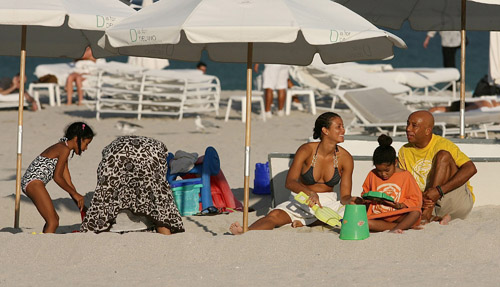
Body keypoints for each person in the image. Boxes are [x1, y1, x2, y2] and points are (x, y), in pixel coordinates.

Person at [230, 112, 359, 235]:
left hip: (328, 204)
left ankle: (306, 222)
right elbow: (290, 182)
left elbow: (344, 196)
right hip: (302, 201)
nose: (343, 130)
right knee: (273, 216)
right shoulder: (306, 150)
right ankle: (247, 231)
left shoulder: (346, 158)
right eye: (338, 127)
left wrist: (351, 200)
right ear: (325, 130)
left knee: (347, 213)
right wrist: (310, 193)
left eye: (342, 126)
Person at [80, 136, 184, 235]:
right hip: (148, 158)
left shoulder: (112, 147)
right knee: (158, 197)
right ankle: (166, 235)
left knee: (106, 195)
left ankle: (99, 229)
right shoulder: (161, 150)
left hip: (115, 157)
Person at [398, 111, 477, 224]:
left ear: (427, 130)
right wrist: (420, 197)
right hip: (426, 203)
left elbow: (471, 169)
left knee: (443, 156)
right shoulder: (404, 151)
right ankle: (435, 216)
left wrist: (438, 191)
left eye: (414, 125)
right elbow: (406, 183)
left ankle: (427, 213)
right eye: (408, 124)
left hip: (454, 201)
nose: (408, 129)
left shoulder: (443, 144)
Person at [21, 122, 94, 233]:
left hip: (34, 182)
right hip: (33, 183)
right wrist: (75, 194)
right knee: (53, 221)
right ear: (76, 139)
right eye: (86, 143)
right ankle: (44, 246)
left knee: (53, 219)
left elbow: (68, 181)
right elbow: (58, 178)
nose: (86, 148)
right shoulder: (63, 149)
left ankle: (43, 240)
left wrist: (80, 203)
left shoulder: (64, 148)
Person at [360, 134, 422, 234]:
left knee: (415, 213)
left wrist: (401, 205)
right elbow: (365, 193)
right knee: (365, 223)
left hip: (399, 214)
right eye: (379, 171)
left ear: (395, 162)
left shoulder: (405, 176)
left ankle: (396, 228)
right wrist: (368, 198)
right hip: (379, 216)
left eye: (387, 170)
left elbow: (416, 199)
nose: (383, 174)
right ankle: (401, 227)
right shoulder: (372, 174)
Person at [429, 99, 500, 113]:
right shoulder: (469, 107)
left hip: (487, 104)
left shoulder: (467, 109)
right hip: (488, 103)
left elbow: (436, 108)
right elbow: (436, 108)